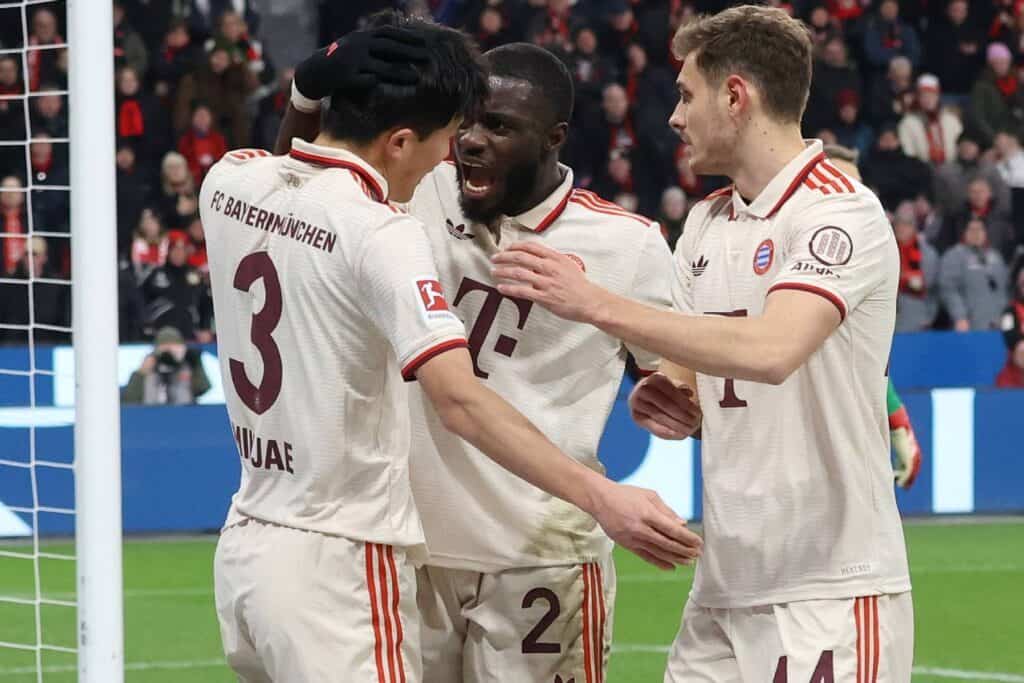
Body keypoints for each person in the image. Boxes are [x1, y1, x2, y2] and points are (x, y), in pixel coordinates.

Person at [203, 18, 698, 683]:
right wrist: (605, 497)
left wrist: (674, 387)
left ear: (553, 138)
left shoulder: (625, 243)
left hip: (535, 552)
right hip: (415, 548)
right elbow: (308, 201)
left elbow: (675, 359)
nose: (466, 143)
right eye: (462, 125)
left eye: (498, 127)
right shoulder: (403, 200)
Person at [492, 6, 914, 680]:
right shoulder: (706, 224)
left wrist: (597, 303)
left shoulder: (840, 211)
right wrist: (673, 395)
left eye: (687, 95)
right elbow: (691, 370)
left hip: (827, 589)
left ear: (736, 96)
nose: (674, 117)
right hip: (724, 584)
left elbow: (772, 350)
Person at [826, 143, 924, 488]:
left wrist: (898, 422)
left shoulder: (862, 258)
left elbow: (861, 355)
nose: (850, 199)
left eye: (857, 190)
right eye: (837, 186)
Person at [122, 325, 211, 405]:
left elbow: (202, 388)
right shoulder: (148, 368)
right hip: (151, 414)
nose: (169, 352)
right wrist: (140, 373)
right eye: (165, 347)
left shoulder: (188, 367)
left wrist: (196, 364)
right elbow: (129, 401)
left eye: (174, 347)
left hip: (183, 414)